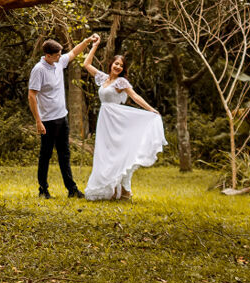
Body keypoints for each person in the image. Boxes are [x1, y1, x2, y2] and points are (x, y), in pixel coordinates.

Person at [80, 40, 167, 201]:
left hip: (117, 119)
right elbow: (86, 64)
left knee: (118, 152)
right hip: (105, 119)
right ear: (111, 64)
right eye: (116, 64)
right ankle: (112, 188)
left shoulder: (121, 82)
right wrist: (94, 46)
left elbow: (134, 96)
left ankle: (125, 190)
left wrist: (151, 110)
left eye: (121, 65)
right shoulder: (103, 78)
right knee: (106, 153)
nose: (118, 67)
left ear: (123, 69)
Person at [28, 33, 99, 199]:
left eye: (60, 54)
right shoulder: (39, 70)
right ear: (48, 55)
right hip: (47, 120)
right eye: (57, 55)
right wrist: (38, 121)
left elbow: (73, 53)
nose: (61, 57)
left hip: (62, 118)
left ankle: (72, 189)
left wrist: (87, 41)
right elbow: (32, 95)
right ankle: (43, 190)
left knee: (64, 155)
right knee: (45, 155)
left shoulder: (58, 63)